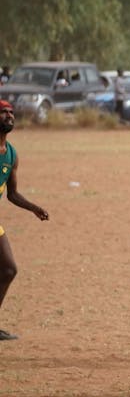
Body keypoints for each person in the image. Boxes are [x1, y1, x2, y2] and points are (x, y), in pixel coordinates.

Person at [0, 100, 49, 341]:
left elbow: (12, 193)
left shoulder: (11, 153)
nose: (9, 116)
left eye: (11, 112)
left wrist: (34, 208)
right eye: (3, 113)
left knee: (9, 269)